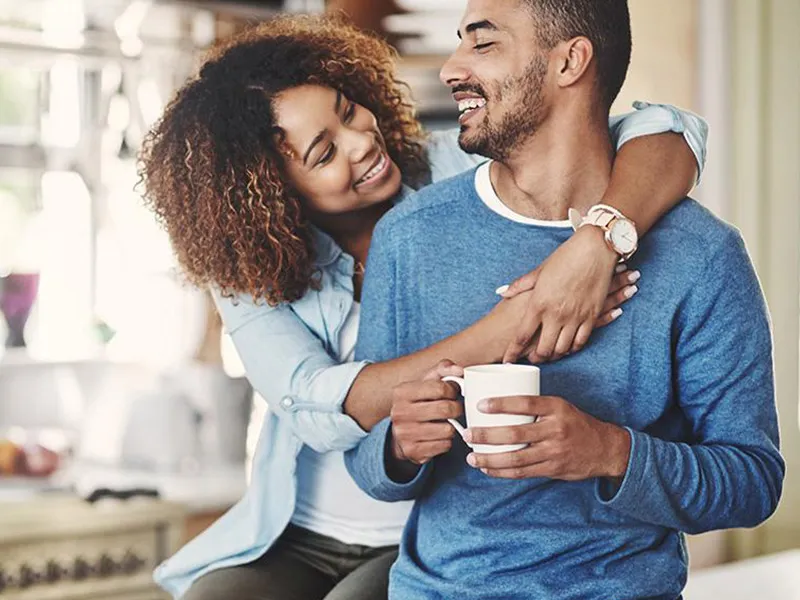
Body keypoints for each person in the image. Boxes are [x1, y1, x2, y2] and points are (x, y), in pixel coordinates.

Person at [138, 13, 708, 600]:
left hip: (422, 526)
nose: (363, 142)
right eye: (323, 152)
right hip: (300, 528)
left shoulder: (456, 167)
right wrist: (517, 319)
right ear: (272, 194)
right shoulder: (246, 269)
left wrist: (594, 243)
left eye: (348, 109)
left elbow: (667, 130)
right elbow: (316, 402)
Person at [344, 1, 784, 598]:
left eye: (483, 43)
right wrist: (399, 446)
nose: (451, 68)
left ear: (570, 61)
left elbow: (752, 482)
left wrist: (608, 451)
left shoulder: (701, 255)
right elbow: (367, 462)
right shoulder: (411, 235)